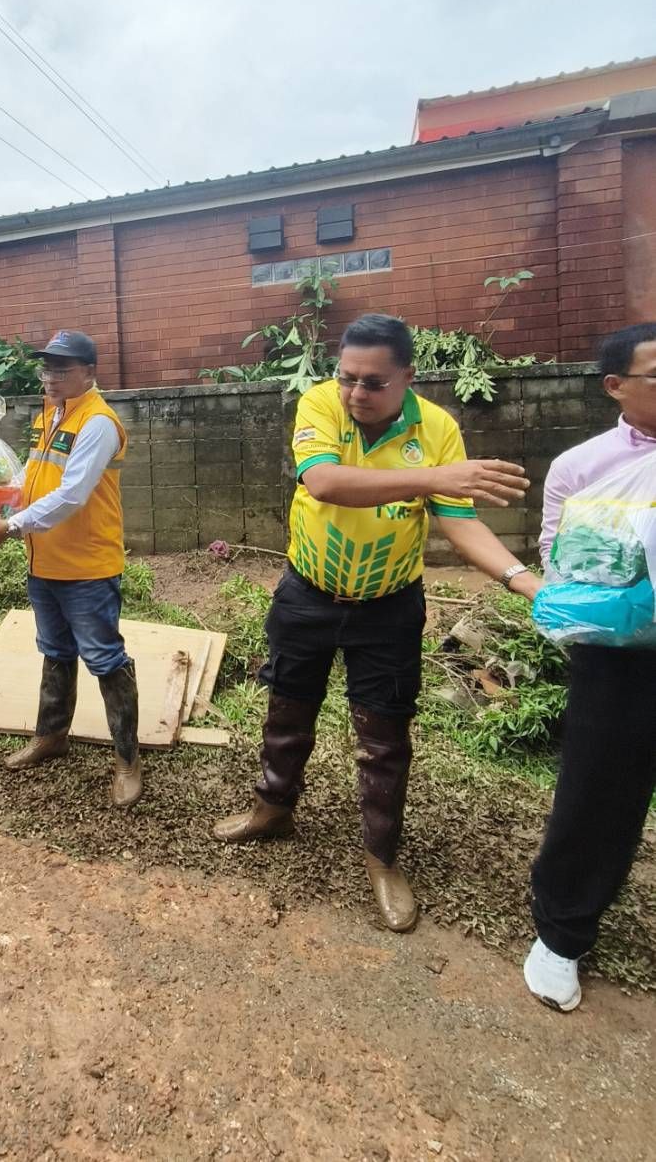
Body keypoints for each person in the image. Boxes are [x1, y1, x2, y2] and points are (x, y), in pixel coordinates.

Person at [212, 313, 542, 931]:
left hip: (389, 605)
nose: (357, 393)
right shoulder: (320, 405)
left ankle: (382, 858)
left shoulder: (436, 428)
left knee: (385, 738)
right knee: (287, 709)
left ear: (408, 378)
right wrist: (432, 477)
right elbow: (326, 482)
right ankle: (272, 807)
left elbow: (459, 520)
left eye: (374, 382)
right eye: (348, 378)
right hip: (306, 595)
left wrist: (523, 581)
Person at [524, 321, 656, 1012]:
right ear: (617, 386)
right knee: (599, 795)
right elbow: (561, 570)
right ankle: (563, 931)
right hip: (621, 659)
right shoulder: (584, 466)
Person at [0, 330, 141, 808]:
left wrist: (8, 527)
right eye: (47, 368)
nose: (51, 377)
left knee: (105, 659)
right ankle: (52, 735)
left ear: (89, 371)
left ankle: (127, 760)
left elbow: (72, 494)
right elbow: (32, 476)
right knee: (56, 651)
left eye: (62, 369)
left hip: (87, 566)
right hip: (45, 561)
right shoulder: (52, 415)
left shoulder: (98, 422)